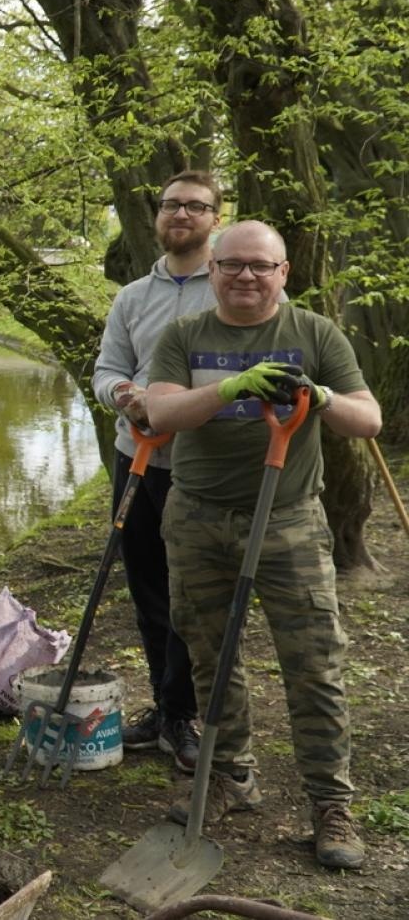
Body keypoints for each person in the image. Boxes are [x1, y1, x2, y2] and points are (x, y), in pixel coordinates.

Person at [146, 219, 381, 870]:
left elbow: (368, 419)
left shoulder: (315, 333)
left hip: (288, 522)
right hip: (197, 519)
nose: (245, 275)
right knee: (210, 657)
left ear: (283, 273)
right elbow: (159, 413)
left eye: (260, 265)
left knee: (314, 664)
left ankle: (331, 802)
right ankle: (231, 776)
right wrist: (229, 388)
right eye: (233, 264)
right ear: (213, 269)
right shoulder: (184, 335)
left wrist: (321, 395)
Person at [92, 169, 225, 772]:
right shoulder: (132, 297)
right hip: (137, 458)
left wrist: (183, 410)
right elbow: (107, 370)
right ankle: (165, 707)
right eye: (171, 205)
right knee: (147, 588)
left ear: (215, 218)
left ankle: (185, 712)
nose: (181, 215)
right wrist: (127, 397)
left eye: (195, 206)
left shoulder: (231, 286)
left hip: (201, 465)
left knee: (191, 592)